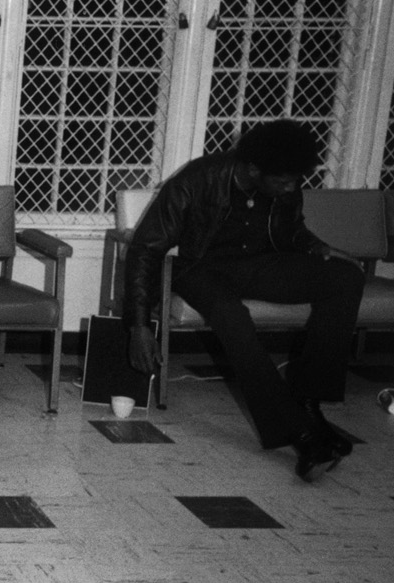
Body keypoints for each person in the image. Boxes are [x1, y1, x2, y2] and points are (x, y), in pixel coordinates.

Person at [123, 119, 364, 482]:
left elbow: (291, 228)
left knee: (345, 277)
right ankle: (298, 432)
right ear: (253, 169)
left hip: (261, 264)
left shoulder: (284, 185)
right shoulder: (196, 180)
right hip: (203, 268)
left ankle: (308, 399)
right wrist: (139, 325)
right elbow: (146, 248)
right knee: (231, 318)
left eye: (294, 181)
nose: (290, 188)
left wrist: (315, 246)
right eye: (283, 181)